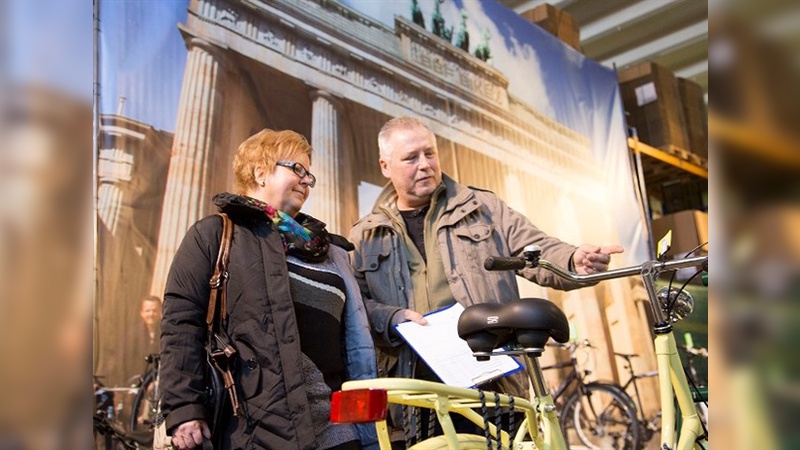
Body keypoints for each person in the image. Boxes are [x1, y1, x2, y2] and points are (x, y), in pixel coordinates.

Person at [348, 116, 624, 442]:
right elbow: (357, 307)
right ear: (385, 165)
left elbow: (536, 249)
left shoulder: (483, 207)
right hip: (414, 398)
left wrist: (573, 259)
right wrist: (392, 317)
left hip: (491, 387)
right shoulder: (364, 235)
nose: (425, 165)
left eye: (430, 154)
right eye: (411, 158)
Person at [159, 129, 378, 450]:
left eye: (310, 175)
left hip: (339, 429)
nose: (306, 180)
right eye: (297, 169)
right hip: (255, 427)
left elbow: (356, 332)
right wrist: (184, 409)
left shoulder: (332, 251)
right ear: (260, 172)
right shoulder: (214, 234)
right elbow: (181, 323)